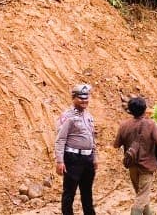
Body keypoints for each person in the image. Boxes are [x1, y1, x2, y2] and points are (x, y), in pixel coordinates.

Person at [113, 96, 157, 215]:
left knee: (141, 194)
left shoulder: (124, 125)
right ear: (145, 109)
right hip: (147, 165)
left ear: (130, 110)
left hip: (131, 165)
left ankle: (149, 213)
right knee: (142, 195)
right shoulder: (151, 124)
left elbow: (116, 145)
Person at [55, 84, 98, 215]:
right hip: (73, 158)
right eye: (81, 98)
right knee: (69, 193)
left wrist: (95, 157)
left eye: (86, 98)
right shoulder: (67, 117)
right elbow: (60, 139)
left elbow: (92, 137)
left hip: (88, 158)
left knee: (87, 192)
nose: (84, 100)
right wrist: (59, 161)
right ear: (73, 98)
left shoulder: (88, 116)